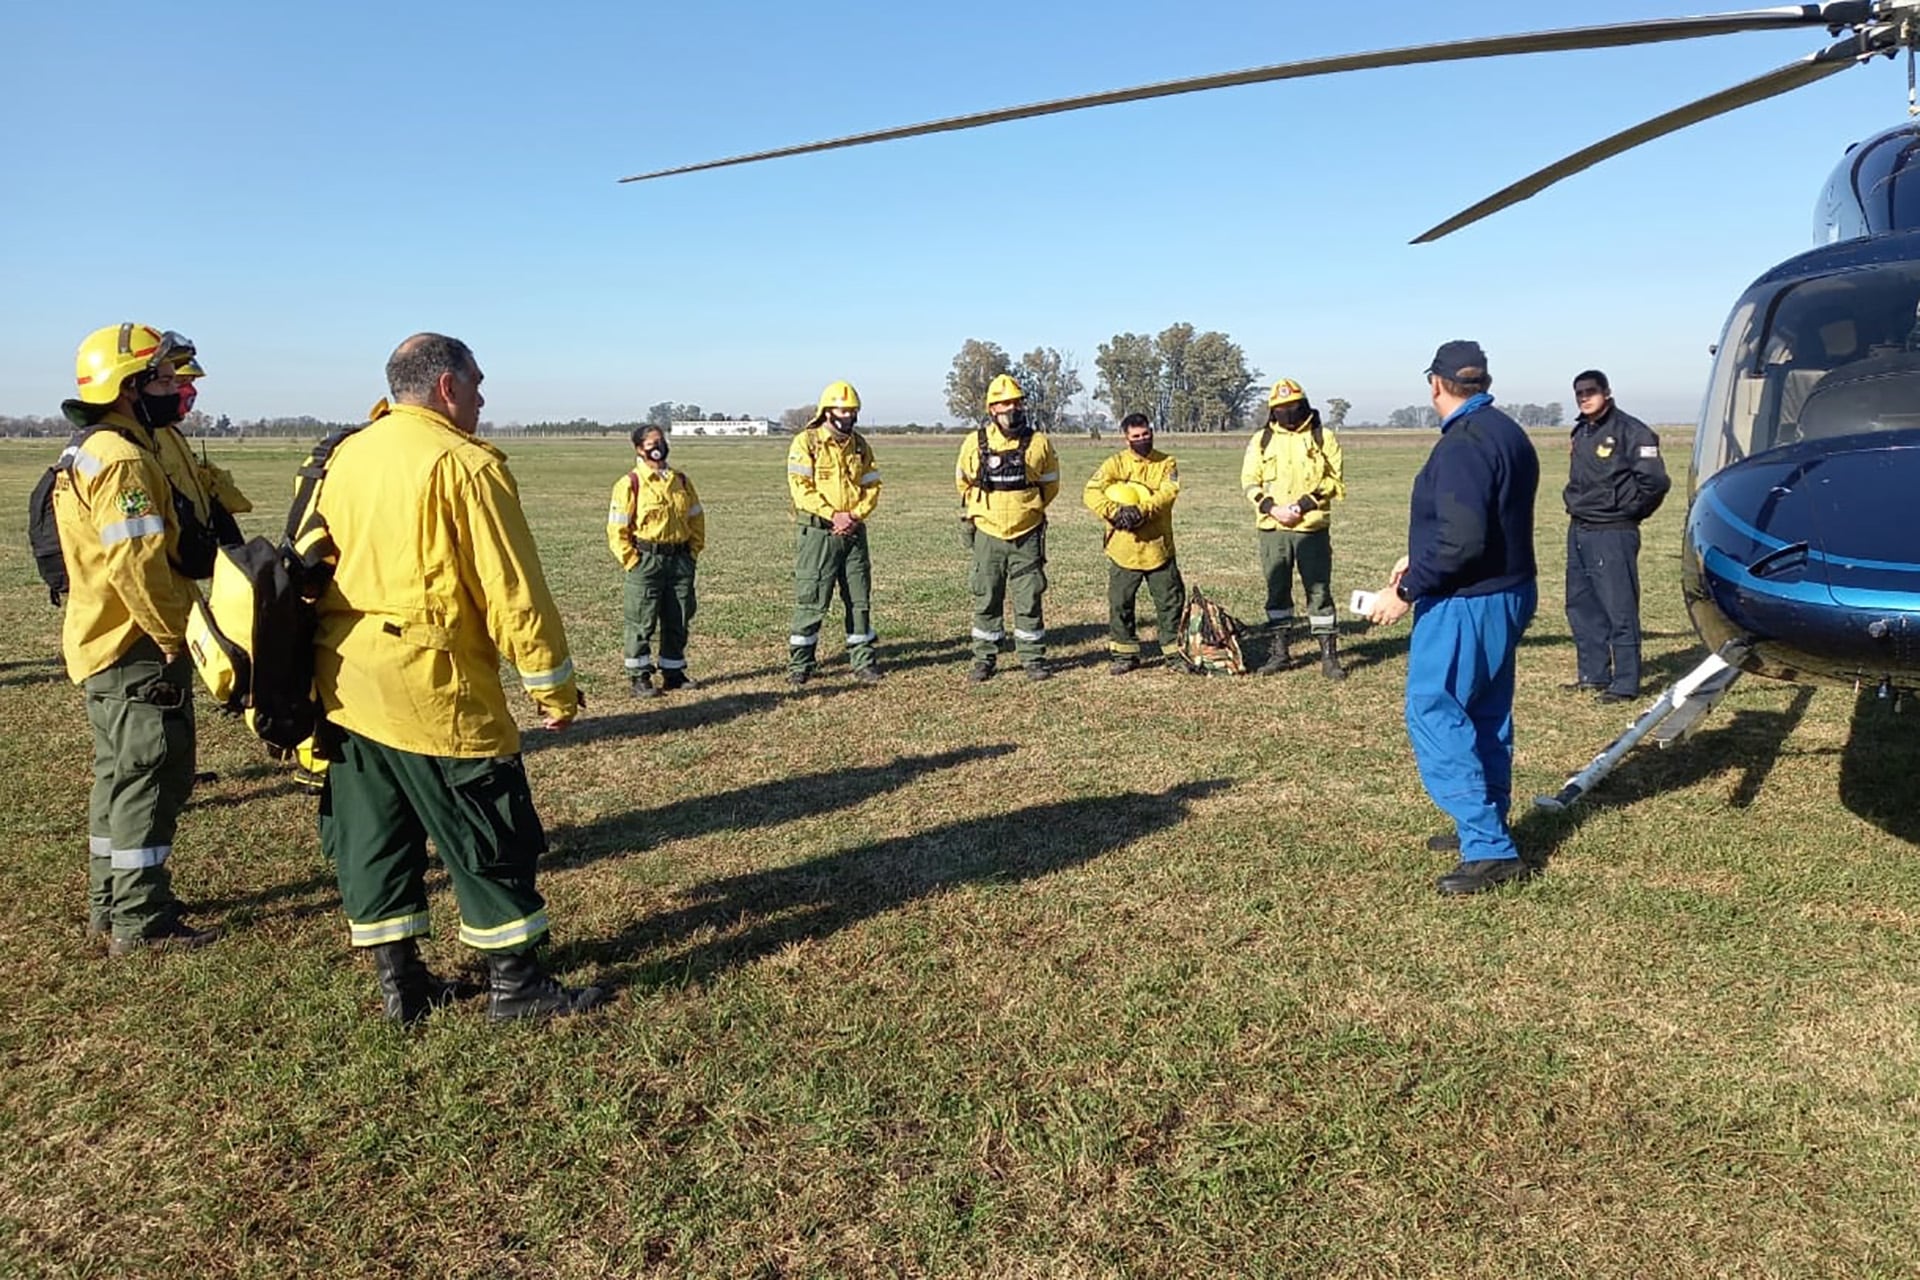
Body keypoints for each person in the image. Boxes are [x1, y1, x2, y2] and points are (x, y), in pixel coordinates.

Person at [313, 333, 604, 1025]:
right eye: (477, 383)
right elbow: (514, 592)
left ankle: (401, 983)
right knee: (488, 831)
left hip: (348, 683)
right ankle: (516, 987)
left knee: (375, 835)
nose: (482, 396)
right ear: (447, 388)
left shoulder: (348, 453)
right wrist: (552, 687)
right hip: (432, 688)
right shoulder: (464, 465)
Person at [52, 324, 218, 954]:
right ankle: (141, 920)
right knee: (152, 777)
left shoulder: (93, 447)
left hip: (100, 638)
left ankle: (108, 901)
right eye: (164, 379)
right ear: (127, 388)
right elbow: (137, 565)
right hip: (134, 646)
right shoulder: (123, 460)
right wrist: (174, 637)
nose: (176, 388)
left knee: (117, 776)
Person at [1368, 340, 1540, 896]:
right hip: (1508, 591)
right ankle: (1484, 823)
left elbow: (1463, 541)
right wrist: (1416, 557)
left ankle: (1488, 845)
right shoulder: (1508, 432)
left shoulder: (1462, 445)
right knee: (1485, 712)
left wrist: (1409, 589)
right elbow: (1484, 524)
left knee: (1435, 709)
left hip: (1468, 600)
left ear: (1436, 385)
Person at [1563, 369, 1670, 703]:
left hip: (1612, 531)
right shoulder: (1581, 431)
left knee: (1618, 608)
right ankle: (1593, 674)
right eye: (1579, 392)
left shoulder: (1632, 432)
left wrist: (1628, 512)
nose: (1584, 397)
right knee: (1582, 605)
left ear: (1606, 392)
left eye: (1591, 391)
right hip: (1580, 526)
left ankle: (1625, 683)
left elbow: (1655, 482)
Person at [955, 373, 1060, 682]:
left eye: (1016, 402)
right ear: (991, 410)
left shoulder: (1039, 442)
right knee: (986, 596)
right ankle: (984, 659)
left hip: (1026, 534)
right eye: (1004, 404)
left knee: (1029, 598)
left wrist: (1027, 510)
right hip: (987, 533)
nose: (1012, 409)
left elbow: (1051, 485)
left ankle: (1032, 659)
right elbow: (962, 481)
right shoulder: (974, 443)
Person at [1241, 378, 1348, 679]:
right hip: (1272, 529)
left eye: (1292, 407)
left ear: (1303, 405)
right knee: (1277, 591)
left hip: (1311, 529)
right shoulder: (1261, 440)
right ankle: (1280, 652)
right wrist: (1272, 508)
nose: (1287, 412)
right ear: (1272, 411)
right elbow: (1249, 481)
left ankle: (1329, 656)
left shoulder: (1323, 437)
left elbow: (1333, 481)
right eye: (1280, 408)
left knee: (1319, 591)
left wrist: (1302, 506)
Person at [786, 380, 883, 687]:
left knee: (858, 598)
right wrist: (834, 514)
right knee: (812, 598)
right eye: (844, 410)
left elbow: (872, 485)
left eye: (854, 410)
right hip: (819, 533)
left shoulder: (859, 444)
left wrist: (855, 515)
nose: (849, 416)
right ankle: (800, 664)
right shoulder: (807, 442)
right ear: (827, 411)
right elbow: (802, 490)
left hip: (854, 532)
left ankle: (863, 660)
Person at [609, 424, 705, 697]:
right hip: (646, 561)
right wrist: (632, 561)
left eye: (661, 441)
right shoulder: (630, 484)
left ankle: (673, 673)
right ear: (639, 449)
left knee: (679, 617)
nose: (658, 446)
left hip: (680, 560)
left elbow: (696, 517)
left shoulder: (681, 481)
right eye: (651, 443)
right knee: (641, 620)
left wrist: (692, 551)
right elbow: (617, 530)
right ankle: (639, 677)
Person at [1084, 412, 1184, 674]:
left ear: (1152, 432)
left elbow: (1168, 492)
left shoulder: (1166, 462)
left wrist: (1142, 510)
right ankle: (1124, 656)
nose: (1142, 439)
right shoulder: (1114, 464)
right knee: (1120, 603)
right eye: (1136, 436)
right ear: (1126, 438)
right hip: (1123, 549)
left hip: (1158, 547)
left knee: (1170, 602)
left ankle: (1175, 655)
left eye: (1146, 434)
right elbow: (1090, 493)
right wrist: (1115, 512)